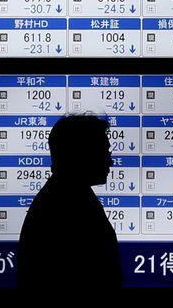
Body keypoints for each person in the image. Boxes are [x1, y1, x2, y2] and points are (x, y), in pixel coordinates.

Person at [17, 114, 123, 288]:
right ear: (82, 154)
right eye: (104, 152)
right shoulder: (68, 206)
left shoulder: (65, 196)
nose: (110, 161)